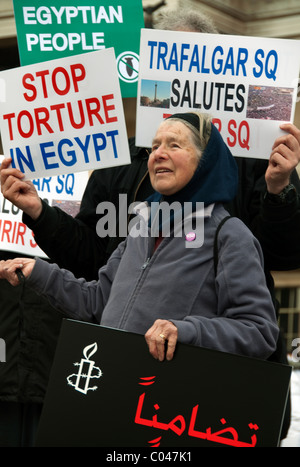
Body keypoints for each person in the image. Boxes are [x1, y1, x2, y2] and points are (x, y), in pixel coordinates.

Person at [0, 8, 299, 441]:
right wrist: (40, 218)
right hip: (121, 396)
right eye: (166, 59)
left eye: (174, 145)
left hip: (194, 409)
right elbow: (96, 285)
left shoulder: (251, 177)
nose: (160, 152)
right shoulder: (131, 201)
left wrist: (280, 192)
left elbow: (266, 298)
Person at [0, 112, 279, 364]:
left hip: (168, 408)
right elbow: (99, 302)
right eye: (155, 146)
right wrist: (39, 272)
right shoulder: (140, 227)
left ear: (205, 159)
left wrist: (186, 331)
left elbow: (259, 331)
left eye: (174, 144)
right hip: (115, 389)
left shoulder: (229, 234)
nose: (158, 153)